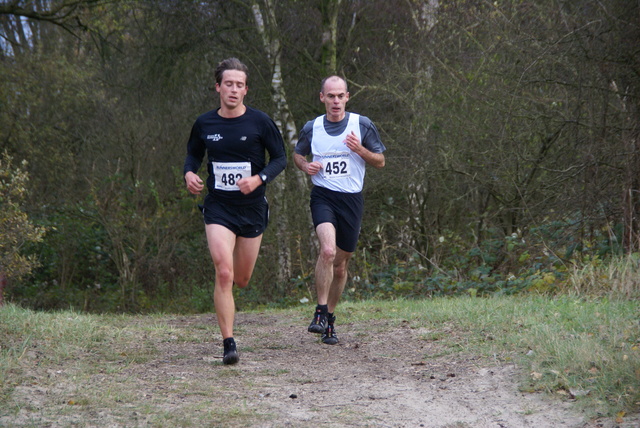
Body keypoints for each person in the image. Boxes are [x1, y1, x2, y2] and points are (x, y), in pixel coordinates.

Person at [183, 58, 286, 364]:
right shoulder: (204, 123)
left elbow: (279, 158)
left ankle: (229, 314)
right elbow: (192, 155)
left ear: (246, 90)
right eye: (228, 83)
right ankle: (228, 342)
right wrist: (189, 173)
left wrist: (258, 178)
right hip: (219, 207)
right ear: (218, 87)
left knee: (241, 279)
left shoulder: (260, 122)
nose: (234, 89)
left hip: (252, 209)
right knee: (223, 271)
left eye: (239, 84)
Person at [294, 75, 386, 345]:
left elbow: (380, 161)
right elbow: (298, 154)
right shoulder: (312, 128)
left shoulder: (362, 125)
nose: (335, 101)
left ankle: (330, 321)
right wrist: (304, 166)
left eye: (340, 96)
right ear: (322, 97)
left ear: (347, 97)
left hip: (351, 200)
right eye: (330, 96)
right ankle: (320, 313)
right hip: (323, 196)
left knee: (341, 265)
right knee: (327, 251)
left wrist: (360, 150)